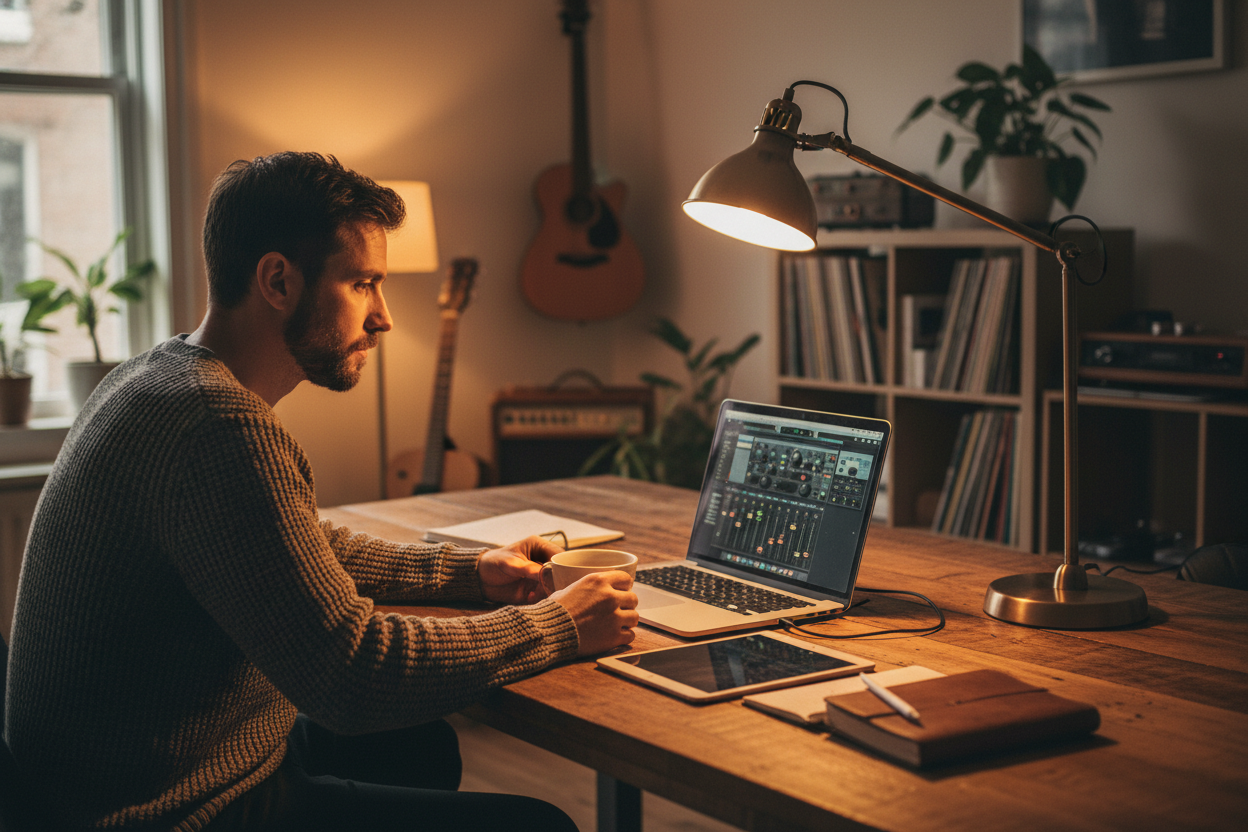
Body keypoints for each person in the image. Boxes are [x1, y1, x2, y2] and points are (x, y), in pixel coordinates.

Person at [4, 151, 639, 831]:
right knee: (541, 826)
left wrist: (471, 573)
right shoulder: (217, 425)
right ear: (278, 279)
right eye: (364, 282)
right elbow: (353, 677)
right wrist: (559, 624)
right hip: (173, 808)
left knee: (417, 745)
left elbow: (295, 542)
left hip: (125, 777)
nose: (384, 316)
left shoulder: (156, 377)